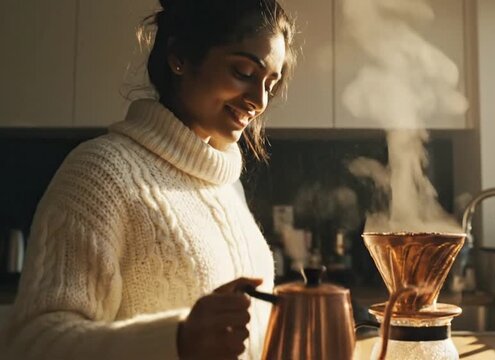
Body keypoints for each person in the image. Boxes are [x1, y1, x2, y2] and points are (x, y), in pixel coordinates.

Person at [2, 0, 296, 359]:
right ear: (180, 57)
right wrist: (176, 340)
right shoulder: (101, 173)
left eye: (271, 82)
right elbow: (31, 343)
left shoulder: (225, 186)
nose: (259, 100)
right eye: (243, 72)